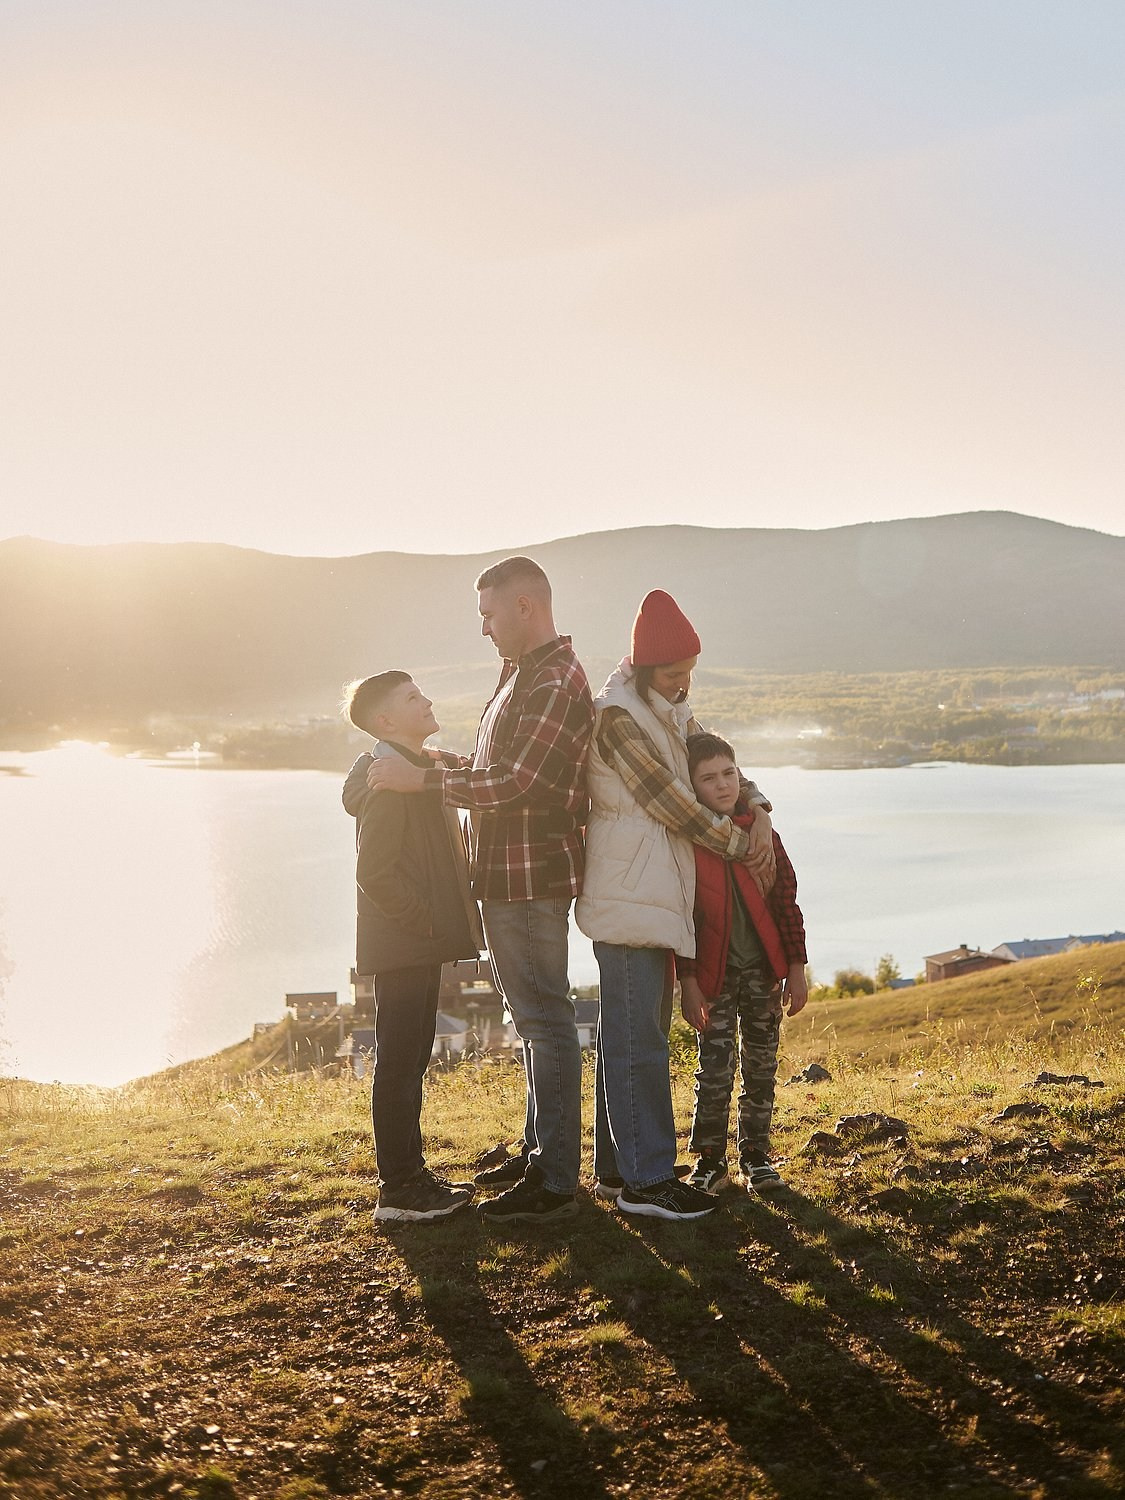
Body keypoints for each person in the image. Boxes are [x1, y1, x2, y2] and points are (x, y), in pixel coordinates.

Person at [365, 557, 595, 1225]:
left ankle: (552, 1181)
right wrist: (430, 762)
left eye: (489, 615)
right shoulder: (523, 676)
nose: (484, 630)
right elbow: (497, 770)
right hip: (506, 879)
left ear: (525, 607)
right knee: (534, 1024)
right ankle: (536, 1152)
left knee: (545, 1024)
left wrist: (425, 781)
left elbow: (519, 784)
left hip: (528, 880)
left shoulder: (553, 680)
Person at [575, 590, 776, 1220]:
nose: (686, 684)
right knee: (640, 1043)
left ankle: (617, 1173)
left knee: (630, 1036)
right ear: (641, 667)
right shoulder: (620, 718)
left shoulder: (667, 709)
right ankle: (647, 1182)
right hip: (630, 890)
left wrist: (760, 806)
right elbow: (672, 801)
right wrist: (741, 843)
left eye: (690, 672)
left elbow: (716, 762)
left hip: (652, 889)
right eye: (673, 674)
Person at [341, 671, 485, 1221]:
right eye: (411, 699)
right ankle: (398, 1190)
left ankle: (410, 1175)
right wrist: (425, 923)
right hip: (405, 944)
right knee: (401, 1061)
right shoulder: (387, 784)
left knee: (411, 1054)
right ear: (385, 722)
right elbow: (374, 873)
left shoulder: (417, 770)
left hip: (413, 943)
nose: (425, 701)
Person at [678, 731, 808, 1195]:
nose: (723, 785)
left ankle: (756, 1155)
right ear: (691, 787)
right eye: (709, 778)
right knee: (713, 1068)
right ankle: (710, 1160)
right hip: (713, 976)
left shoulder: (763, 832)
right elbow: (685, 920)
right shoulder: (688, 843)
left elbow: (787, 903)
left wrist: (796, 967)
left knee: (761, 1065)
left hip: (763, 973)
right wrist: (688, 982)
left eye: (729, 773)